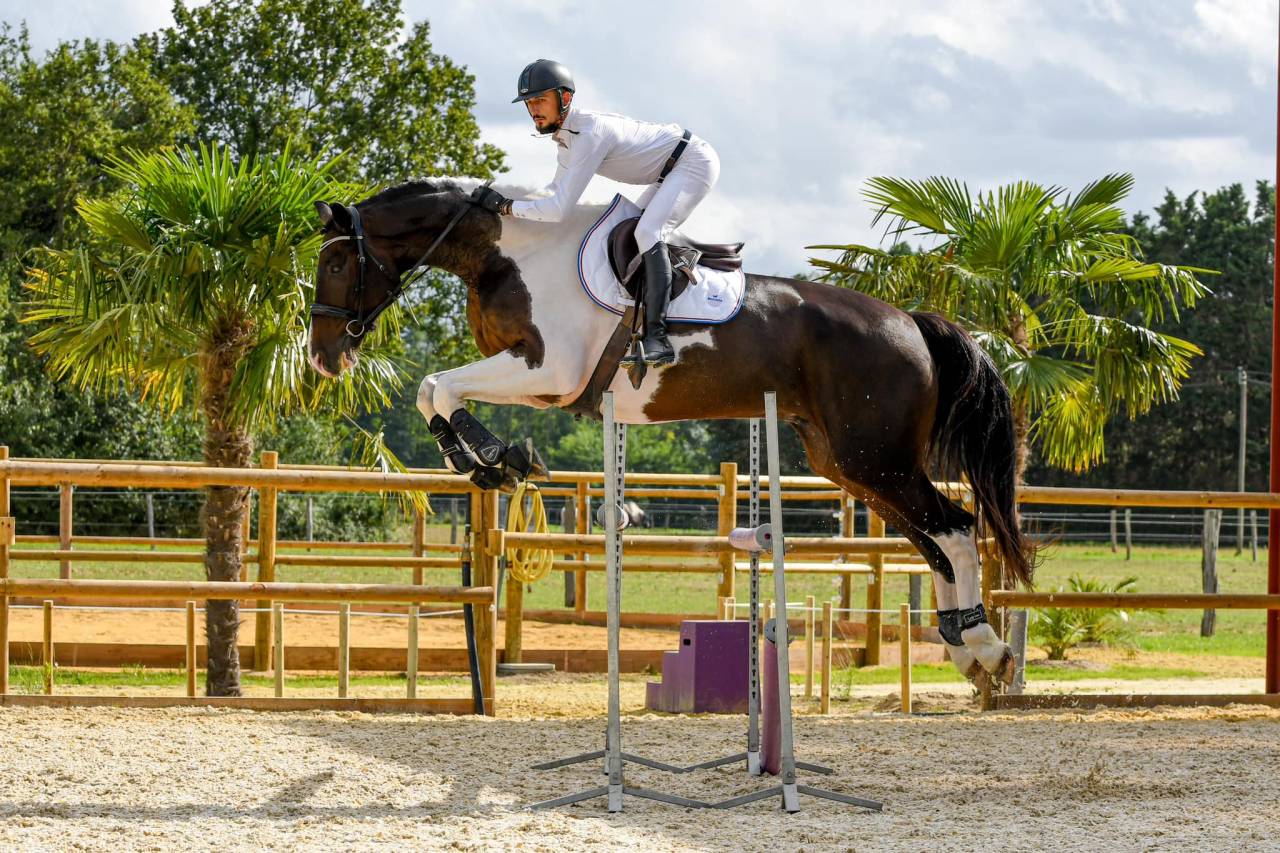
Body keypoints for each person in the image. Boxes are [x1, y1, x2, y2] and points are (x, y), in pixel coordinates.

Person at [471, 59, 721, 367]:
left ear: (565, 98)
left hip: (692, 162)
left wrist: (505, 206)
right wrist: (506, 207)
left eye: (540, 100)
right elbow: (552, 196)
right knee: (629, 234)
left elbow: (557, 210)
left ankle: (658, 338)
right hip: (668, 171)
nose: (533, 109)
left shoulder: (588, 135)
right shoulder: (567, 141)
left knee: (647, 233)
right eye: (529, 103)